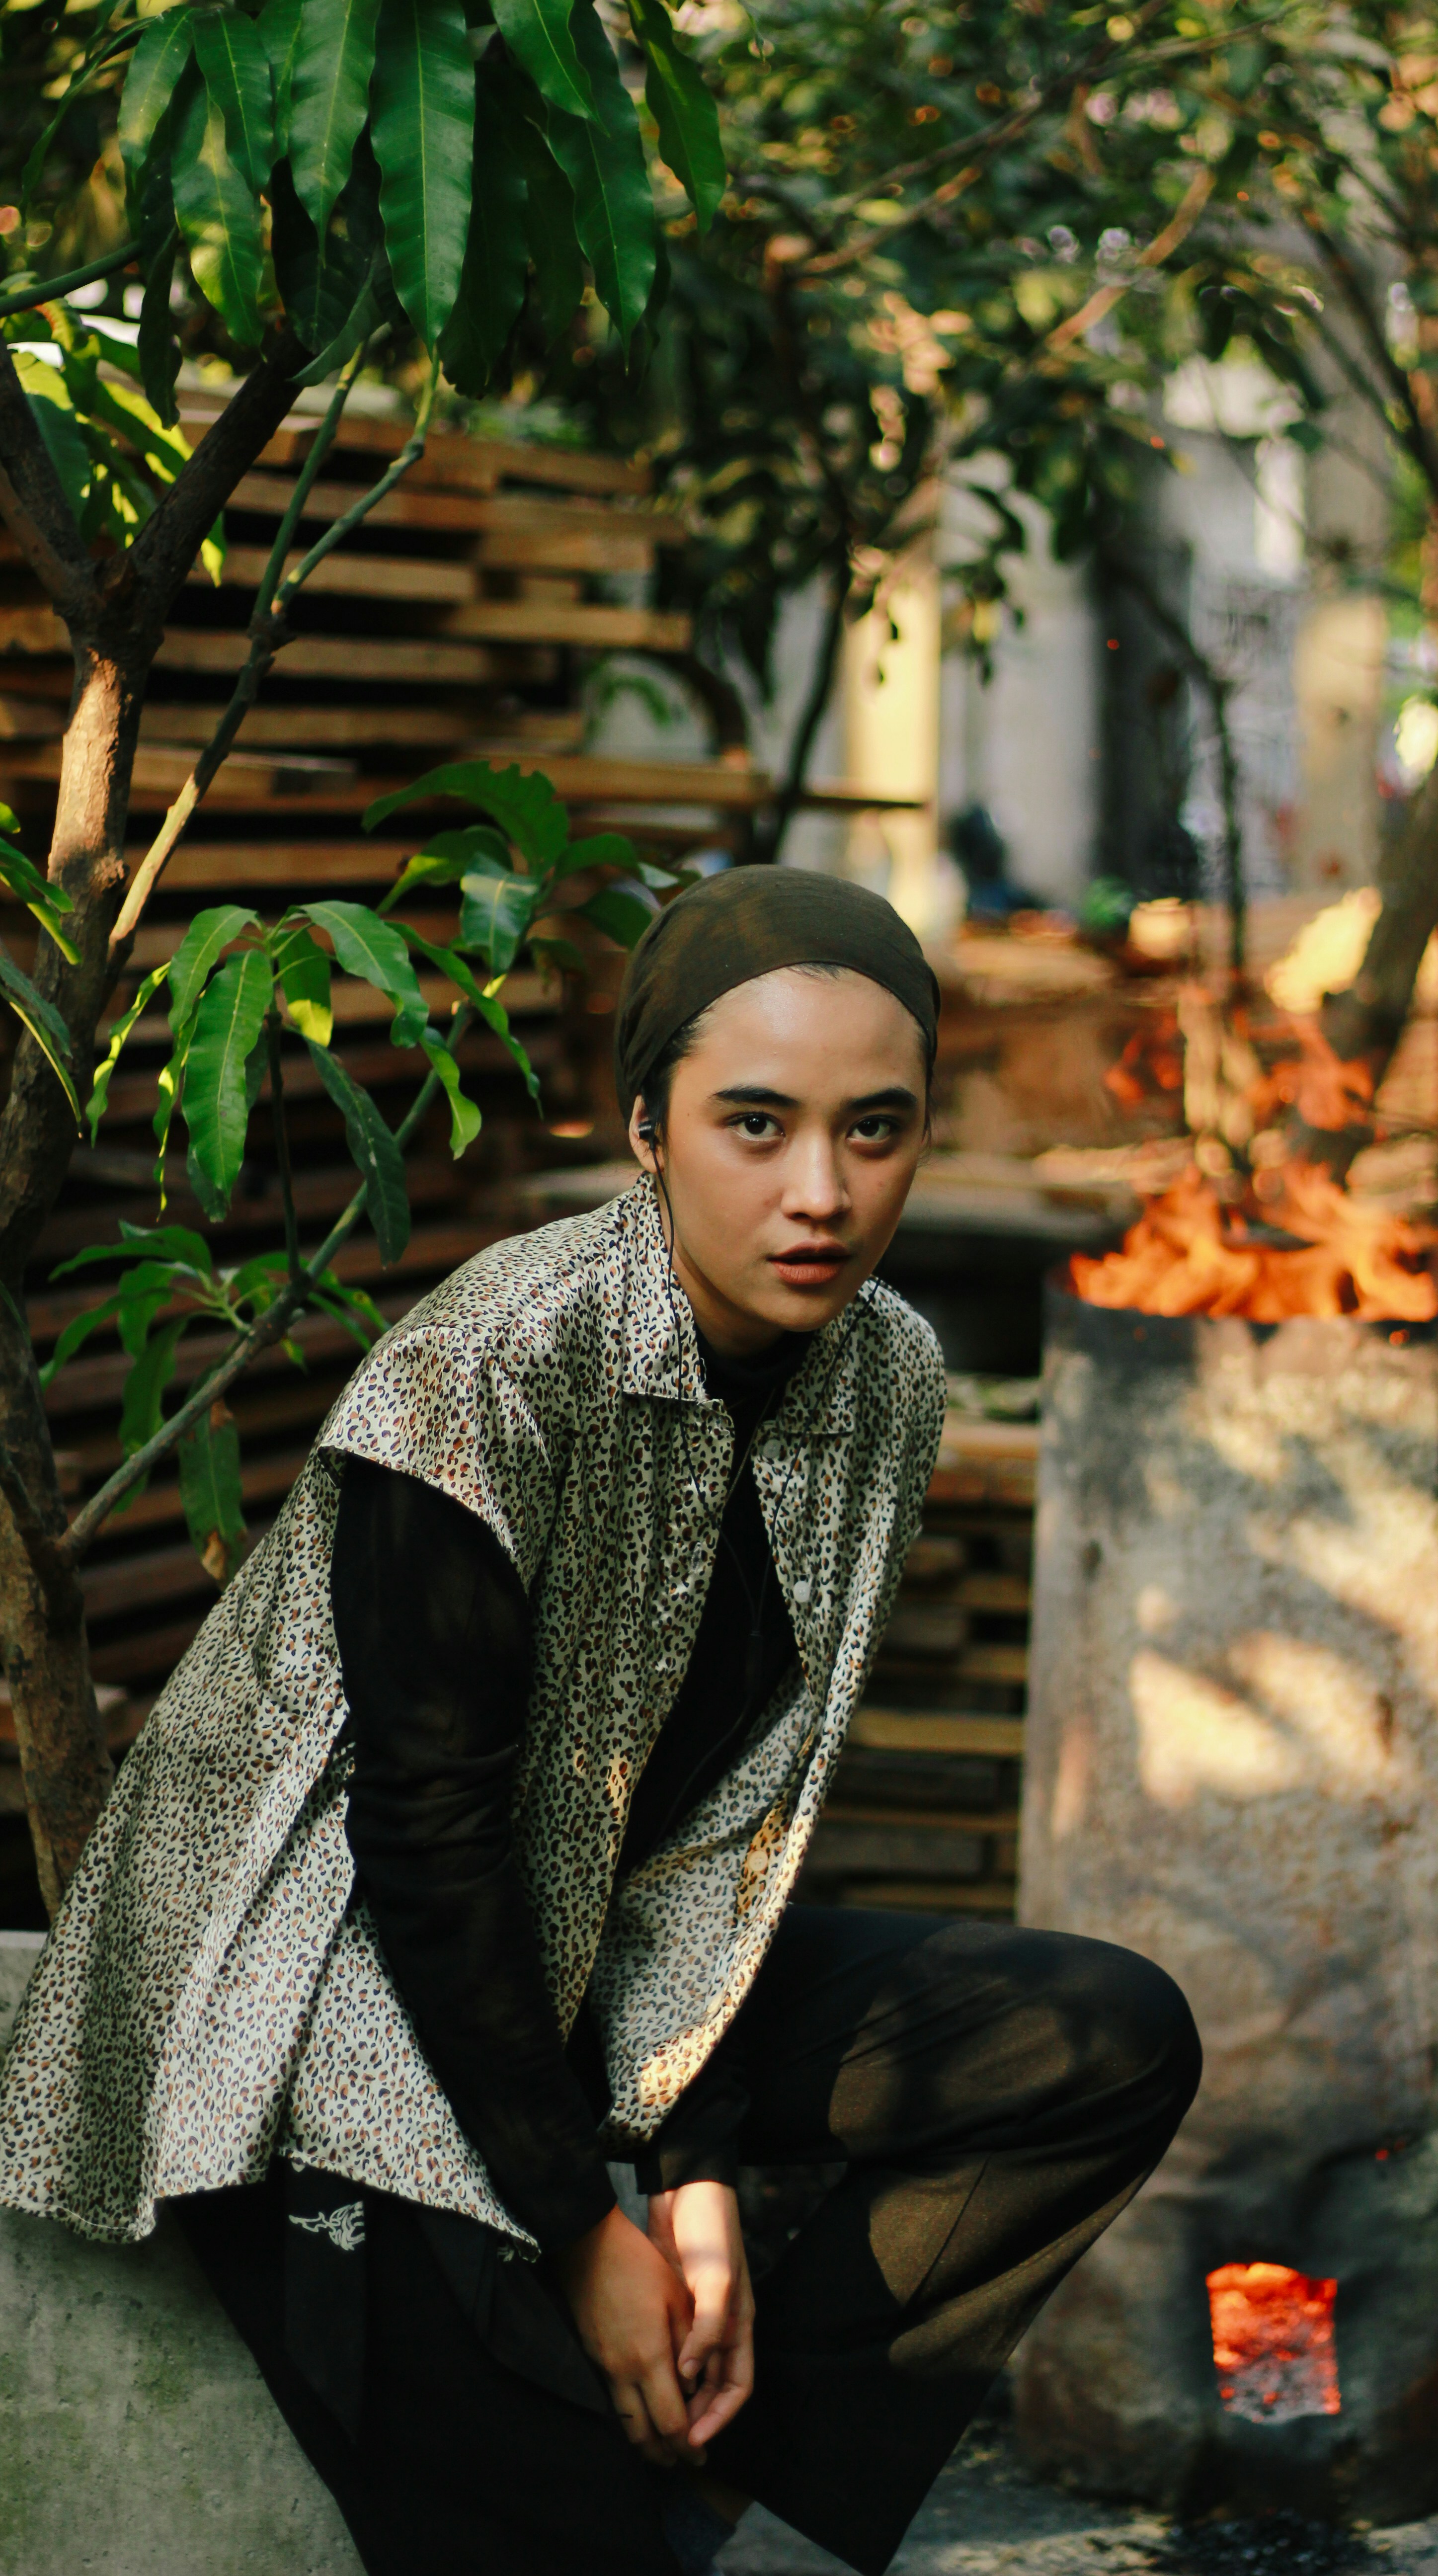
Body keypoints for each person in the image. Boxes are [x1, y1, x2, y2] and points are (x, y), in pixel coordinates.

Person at [0, 869, 1200, 2576]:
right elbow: (423, 1847)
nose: (821, 1193)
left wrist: (694, 2161)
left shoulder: (884, 1373)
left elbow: (717, 1817)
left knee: (1099, 2035)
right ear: (647, 1126)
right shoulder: (496, 1364)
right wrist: (590, 2233)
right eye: (756, 1124)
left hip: (589, 1972)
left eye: (877, 1130)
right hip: (327, 2003)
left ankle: (762, 2516)